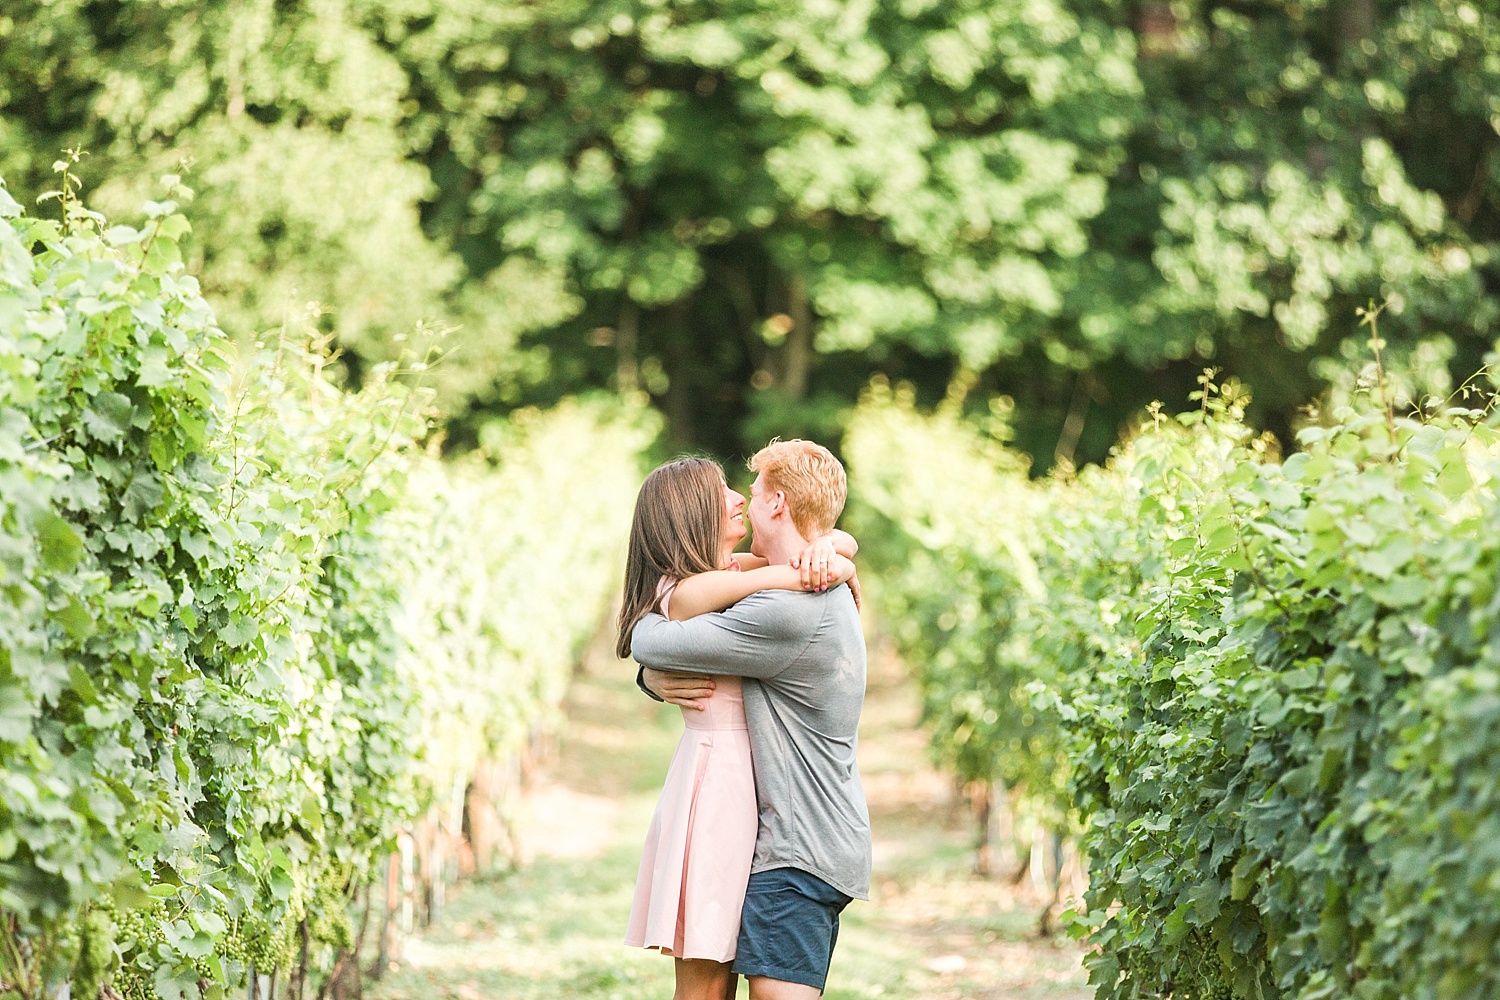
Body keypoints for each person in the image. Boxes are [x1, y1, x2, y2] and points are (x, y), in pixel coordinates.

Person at [633, 440, 871, 1000]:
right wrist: (827, 549)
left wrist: (830, 550)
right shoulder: (775, 583)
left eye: (752, 489)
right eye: (725, 493)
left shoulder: (787, 610)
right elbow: (673, 621)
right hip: (766, 830)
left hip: (797, 843)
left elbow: (653, 635)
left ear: (778, 504)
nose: (741, 498)